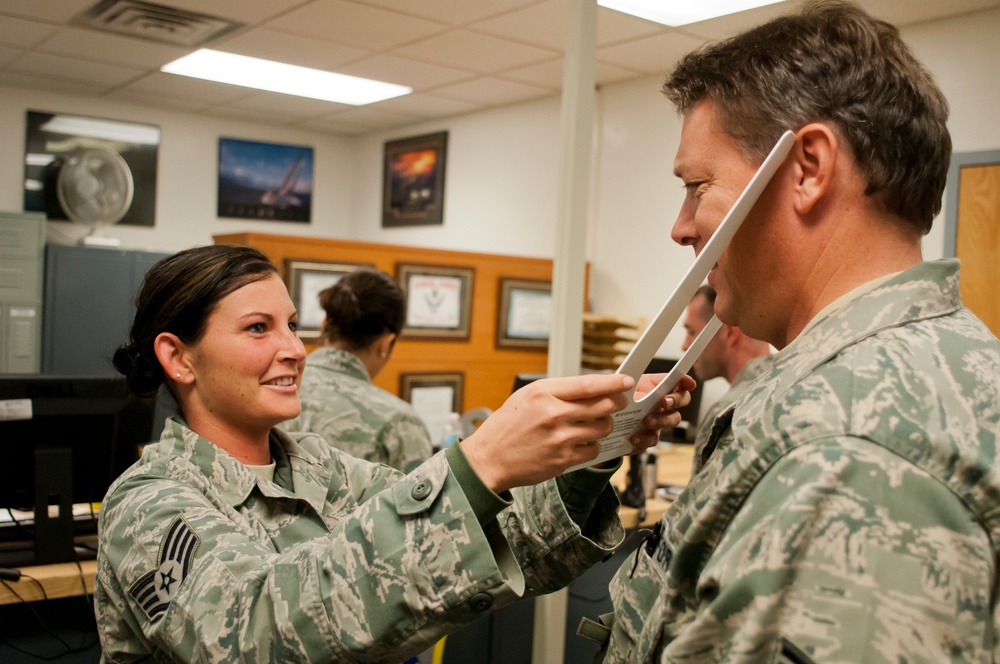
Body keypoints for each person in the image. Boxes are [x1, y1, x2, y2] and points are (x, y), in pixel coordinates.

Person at [584, 2, 1000, 662]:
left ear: (806, 168)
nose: (681, 226)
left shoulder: (852, 448)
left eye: (697, 186)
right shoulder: (907, 366)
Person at [96, 244, 693, 663]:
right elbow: (258, 638)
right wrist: (478, 460)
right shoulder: (149, 503)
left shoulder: (321, 470)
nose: (294, 349)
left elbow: (503, 543)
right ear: (179, 357)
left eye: (293, 324)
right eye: (259, 329)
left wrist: (595, 447)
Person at [281, 267, 433, 473]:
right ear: (386, 343)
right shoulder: (399, 423)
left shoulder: (277, 391)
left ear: (324, 324)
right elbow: (426, 501)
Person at [681, 284, 772, 476]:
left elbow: (699, 505)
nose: (684, 346)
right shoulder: (792, 386)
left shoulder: (726, 415)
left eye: (691, 332)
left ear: (729, 333)